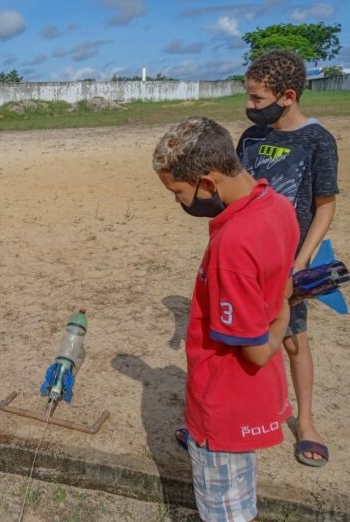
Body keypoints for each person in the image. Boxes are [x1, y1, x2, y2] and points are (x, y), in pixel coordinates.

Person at [153, 117, 298, 522]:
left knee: (224, 510)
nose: (179, 202)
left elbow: (256, 353)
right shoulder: (278, 206)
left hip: (222, 403)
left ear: (208, 183)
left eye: (179, 192)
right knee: (237, 489)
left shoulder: (232, 245)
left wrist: (282, 314)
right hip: (246, 401)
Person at [237, 49, 338, 467]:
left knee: (294, 340)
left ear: (289, 95)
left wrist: (303, 260)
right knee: (240, 339)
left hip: (288, 263)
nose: (249, 106)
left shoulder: (317, 140)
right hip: (248, 259)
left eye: (258, 99)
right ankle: (236, 415)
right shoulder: (250, 138)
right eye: (248, 96)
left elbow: (325, 204)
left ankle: (307, 421)